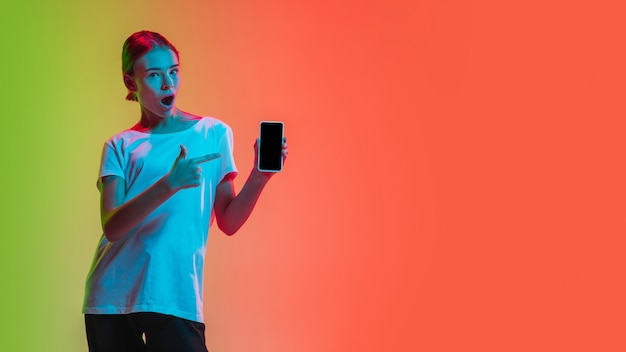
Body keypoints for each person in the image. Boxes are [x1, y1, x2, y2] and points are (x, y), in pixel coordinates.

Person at [82, 30, 287, 352]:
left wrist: (260, 176)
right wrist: (170, 183)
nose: (168, 84)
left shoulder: (213, 133)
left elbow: (229, 222)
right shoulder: (120, 145)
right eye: (154, 75)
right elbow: (113, 227)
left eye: (174, 71)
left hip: (176, 294)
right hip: (112, 297)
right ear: (130, 82)